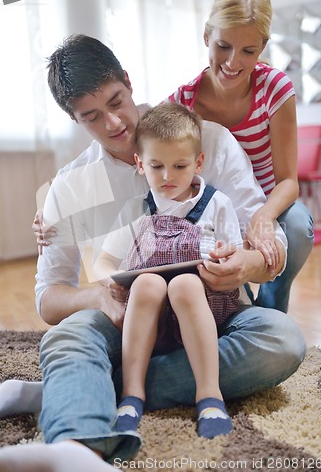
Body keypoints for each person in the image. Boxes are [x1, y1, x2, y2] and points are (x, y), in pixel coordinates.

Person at [0, 34, 306, 471]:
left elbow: (270, 241)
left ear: (128, 81)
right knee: (67, 336)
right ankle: (78, 446)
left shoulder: (206, 141)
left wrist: (244, 267)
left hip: (215, 315)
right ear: (73, 119)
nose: (115, 124)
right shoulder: (71, 185)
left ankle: (80, 387)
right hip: (130, 319)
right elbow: (49, 297)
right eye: (92, 117)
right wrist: (97, 297)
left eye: (117, 101)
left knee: (282, 340)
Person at [95, 103, 243, 439]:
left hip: (203, 309)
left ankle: (209, 395)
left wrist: (224, 256)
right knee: (147, 283)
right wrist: (111, 281)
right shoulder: (137, 209)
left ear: (198, 163)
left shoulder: (216, 204)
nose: (167, 177)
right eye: (156, 166)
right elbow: (103, 261)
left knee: (185, 285)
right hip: (152, 320)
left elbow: (236, 251)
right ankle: (132, 395)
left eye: (179, 166)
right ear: (140, 164)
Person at [165, 0, 313, 313]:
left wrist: (263, 215)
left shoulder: (274, 88)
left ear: (262, 48)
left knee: (299, 225)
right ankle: (236, 308)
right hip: (210, 214)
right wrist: (59, 199)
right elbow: (135, 148)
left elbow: (288, 180)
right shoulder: (182, 101)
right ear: (206, 37)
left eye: (248, 51)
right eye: (223, 46)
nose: (233, 62)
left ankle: (272, 309)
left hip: (269, 204)